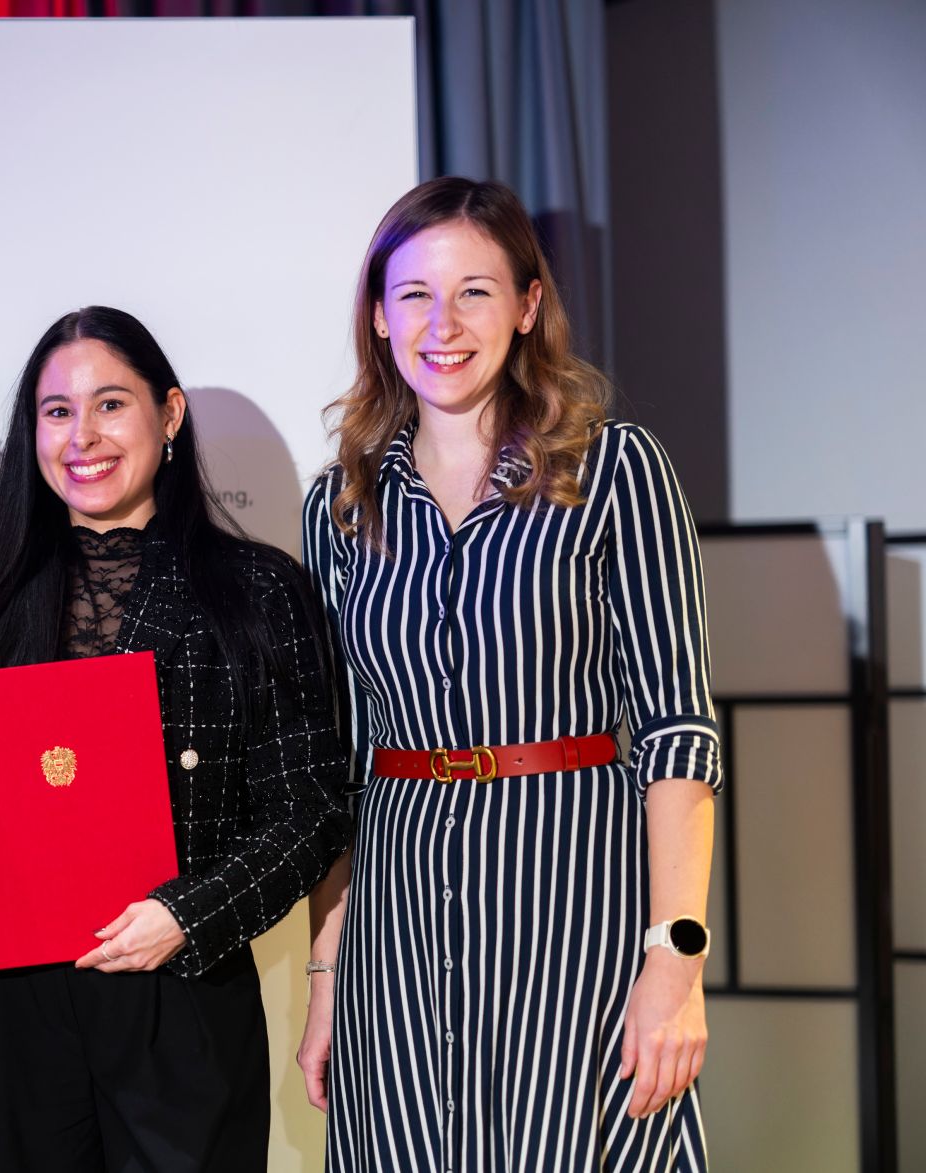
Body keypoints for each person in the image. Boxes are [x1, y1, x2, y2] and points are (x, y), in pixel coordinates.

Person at [298, 177, 722, 1171]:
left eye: (475, 292)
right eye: (412, 295)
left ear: (527, 306)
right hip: (393, 926)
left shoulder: (612, 470)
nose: (441, 325)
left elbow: (675, 732)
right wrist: (327, 980)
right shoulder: (338, 508)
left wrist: (675, 956)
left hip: (574, 907)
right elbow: (342, 764)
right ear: (376, 313)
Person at [0, 305, 354, 1173]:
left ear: (171, 413)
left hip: (183, 995)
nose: (82, 435)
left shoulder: (258, 588)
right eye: (55, 411)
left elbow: (311, 810)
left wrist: (186, 915)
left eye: (111, 403)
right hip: (11, 1003)